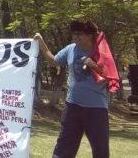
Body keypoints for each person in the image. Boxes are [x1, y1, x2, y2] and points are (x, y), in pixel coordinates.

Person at [35, 20, 110, 158]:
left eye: (79, 34)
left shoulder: (102, 50)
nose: (74, 38)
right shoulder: (70, 49)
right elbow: (53, 61)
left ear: (90, 35)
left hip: (97, 108)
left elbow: (110, 77)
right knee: (63, 149)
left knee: (101, 150)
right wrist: (40, 41)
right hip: (73, 106)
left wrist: (93, 65)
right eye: (73, 34)